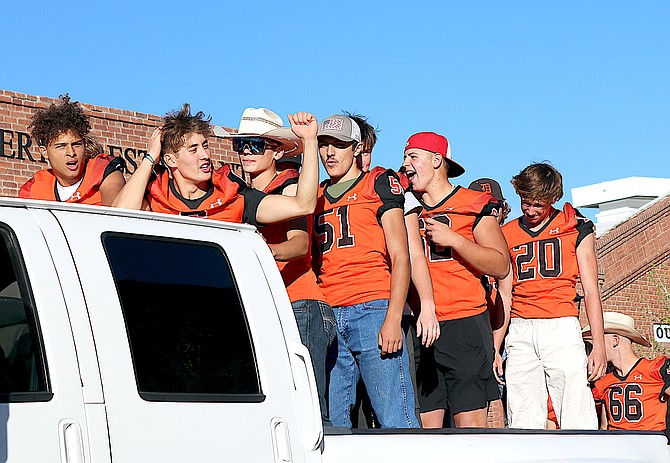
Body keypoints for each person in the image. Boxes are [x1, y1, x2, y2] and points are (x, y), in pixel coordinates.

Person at [315, 114, 419, 428]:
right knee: (333, 424)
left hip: (373, 308)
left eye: (339, 144)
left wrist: (392, 319)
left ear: (357, 148)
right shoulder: (316, 193)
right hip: (330, 314)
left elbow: (401, 257)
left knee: (395, 420)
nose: (330, 152)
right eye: (324, 144)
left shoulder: (378, 182)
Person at [234, 107, 335, 423]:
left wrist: (261, 250)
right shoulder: (242, 193)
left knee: (310, 406)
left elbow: (300, 244)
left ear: (276, 150)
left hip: (299, 303)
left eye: (256, 145)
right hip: (268, 304)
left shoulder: (289, 185)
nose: (246, 152)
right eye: (241, 145)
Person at [402, 132, 509, 428]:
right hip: (422, 325)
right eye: (405, 157)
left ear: (437, 161)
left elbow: (501, 266)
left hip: (464, 322)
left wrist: (456, 241)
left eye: (413, 156)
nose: (406, 164)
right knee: (427, 431)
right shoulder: (403, 206)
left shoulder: (473, 203)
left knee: (469, 430)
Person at [494, 162, 607, 430]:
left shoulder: (575, 226)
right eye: (525, 202)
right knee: (522, 415)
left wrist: (599, 345)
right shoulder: (507, 233)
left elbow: (591, 290)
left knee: (575, 410)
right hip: (520, 329)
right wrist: (495, 346)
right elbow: (505, 292)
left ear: (553, 199)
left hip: (561, 325)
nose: (531, 210)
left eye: (538, 204)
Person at [112, 104, 319, 228]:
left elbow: (303, 205)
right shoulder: (156, 193)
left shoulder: (233, 193)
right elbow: (117, 217)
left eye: (205, 146)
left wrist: (310, 141)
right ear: (170, 160)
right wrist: (150, 157)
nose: (205, 156)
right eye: (193, 150)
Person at [19, 95, 125, 206]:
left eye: (76, 144)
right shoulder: (33, 189)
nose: (71, 152)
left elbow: (116, 215)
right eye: (61, 146)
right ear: (44, 152)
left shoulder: (103, 172)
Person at [586, 312, 670, 439]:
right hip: (618, 449)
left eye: (599, 341)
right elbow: (604, 427)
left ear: (615, 340)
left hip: (651, 446)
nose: (595, 348)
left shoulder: (655, 370)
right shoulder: (604, 382)